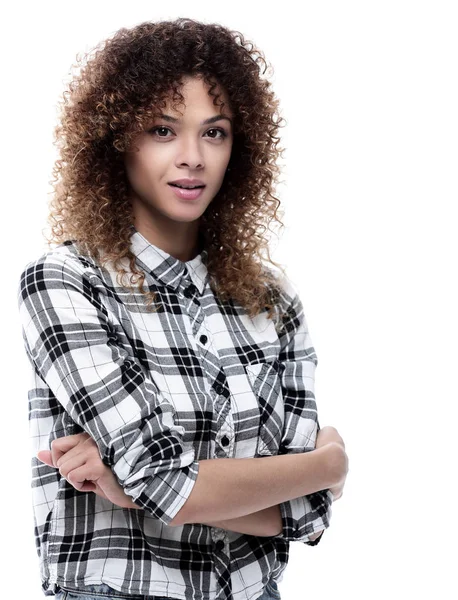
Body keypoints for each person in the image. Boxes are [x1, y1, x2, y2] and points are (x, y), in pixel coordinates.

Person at [17, 17, 349, 600]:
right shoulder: (67, 282)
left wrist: (139, 485)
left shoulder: (272, 299)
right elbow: (173, 483)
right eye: (164, 130)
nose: (193, 157)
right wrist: (326, 469)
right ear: (117, 139)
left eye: (214, 133)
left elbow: (308, 517)